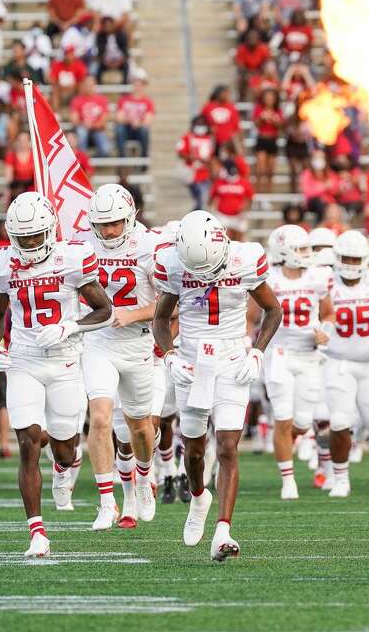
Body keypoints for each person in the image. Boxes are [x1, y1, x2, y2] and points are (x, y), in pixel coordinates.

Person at [0, 192, 113, 556]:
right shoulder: (3, 263)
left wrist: (70, 326)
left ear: (50, 230)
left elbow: (104, 310)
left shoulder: (71, 258)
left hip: (65, 361)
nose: (28, 244)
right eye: (21, 238)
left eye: (34, 237)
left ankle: (64, 465)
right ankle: (37, 532)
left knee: (65, 445)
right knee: (27, 441)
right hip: (24, 358)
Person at [153, 210, 281, 561]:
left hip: (230, 360)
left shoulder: (245, 259)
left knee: (227, 446)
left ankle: (223, 530)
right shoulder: (172, 264)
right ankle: (198, 498)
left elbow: (273, 310)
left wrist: (257, 352)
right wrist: (169, 355)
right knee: (194, 451)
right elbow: (161, 319)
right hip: (192, 360)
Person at [81, 185, 164, 530]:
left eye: (115, 223)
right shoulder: (83, 244)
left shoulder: (151, 245)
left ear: (130, 218)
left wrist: (131, 315)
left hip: (138, 343)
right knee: (100, 418)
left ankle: (143, 478)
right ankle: (106, 501)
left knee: (140, 429)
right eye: (103, 224)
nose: (109, 231)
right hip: (99, 341)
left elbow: (170, 303)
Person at [318, 231, 369, 497]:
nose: (349, 263)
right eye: (345, 257)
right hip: (338, 363)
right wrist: (317, 330)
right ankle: (340, 477)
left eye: (354, 258)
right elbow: (310, 314)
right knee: (338, 421)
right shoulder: (324, 282)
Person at [262, 225, 329, 497]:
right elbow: (251, 318)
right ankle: (288, 479)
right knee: (283, 417)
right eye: (299, 249)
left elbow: (329, 314)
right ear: (282, 251)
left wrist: (325, 332)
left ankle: (282, 448)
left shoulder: (316, 278)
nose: (305, 254)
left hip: (308, 355)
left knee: (302, 422)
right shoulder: (269, 279)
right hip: (279, 354)